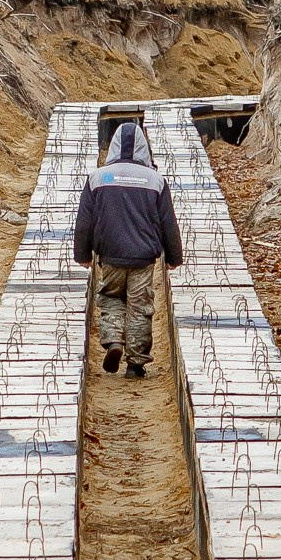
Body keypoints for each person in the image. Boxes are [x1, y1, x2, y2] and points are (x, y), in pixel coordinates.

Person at [71, 120, 183, 377]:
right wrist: (173, 256)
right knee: (140, 306)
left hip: (110, 255)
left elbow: (84, 221)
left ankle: (113, 341)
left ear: (113, 146)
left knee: (111, 298)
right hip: (143, 258)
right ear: (144, 147)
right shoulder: (155, 180)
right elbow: (168, 222)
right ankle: (135, 363)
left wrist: (82, 254)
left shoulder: (97, 178)